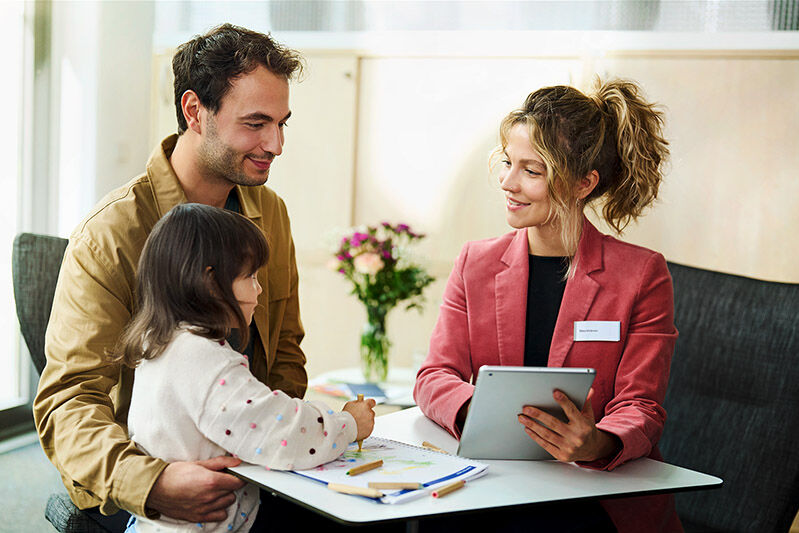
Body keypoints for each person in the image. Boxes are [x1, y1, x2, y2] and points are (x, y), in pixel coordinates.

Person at [34, 24, 309, 529]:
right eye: (256, 123)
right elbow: (68, 403)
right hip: (142, 485)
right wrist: (152, 484)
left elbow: (285, 352)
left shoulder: (271, 212)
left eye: (281, 123)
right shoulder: (110, 234)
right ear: (194, 111)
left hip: (250, 473)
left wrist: (275, 447)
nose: (276, 143)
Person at [414, 79, 682, 532]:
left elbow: (642, 406)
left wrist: (597, 442)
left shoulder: (641, 275)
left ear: (583, 183)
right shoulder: (475, 263)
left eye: (531, 171)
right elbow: (434, 376)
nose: (507, 183)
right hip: (491, 484)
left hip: (591, 495)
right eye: (507, 163)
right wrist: (481, 411)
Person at [113, 203, 375, 533]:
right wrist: (348, 424)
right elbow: (282, 431)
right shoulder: (204, 360)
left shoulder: (160, 342)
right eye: (250, 276)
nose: (259, 289)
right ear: (211, 283)